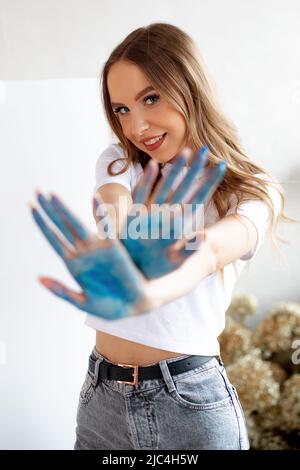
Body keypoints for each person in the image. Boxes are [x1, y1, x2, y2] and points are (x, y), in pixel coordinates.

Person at [30, 23, 289, 450]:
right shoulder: (121, 163)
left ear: (189, 87)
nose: (137, 126)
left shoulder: (255, 190)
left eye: (150, 98)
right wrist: (123, 237)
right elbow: (112, 209)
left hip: (189, 404)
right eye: (122, 110)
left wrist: (151, 292)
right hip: (101, 398)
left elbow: (209, 253)